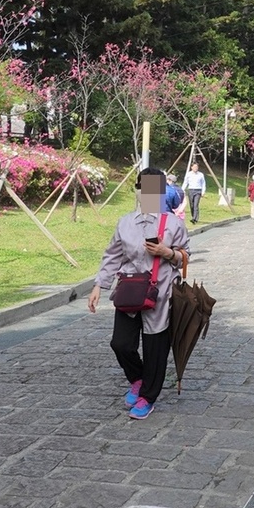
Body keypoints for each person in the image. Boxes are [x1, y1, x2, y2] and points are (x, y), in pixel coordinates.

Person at [87, 168, 190, 420]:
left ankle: (148, 396)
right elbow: (112, 255)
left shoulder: (173, 224)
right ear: (139, 190)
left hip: (161, 291)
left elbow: (185, 256)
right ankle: (137, 378)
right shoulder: (125, 222)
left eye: (156, 189)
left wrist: (168, 253)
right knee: (120, 343)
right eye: (146, 188)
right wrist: (99, 284)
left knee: (155, 347)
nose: (150, 194)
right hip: (130, 290)